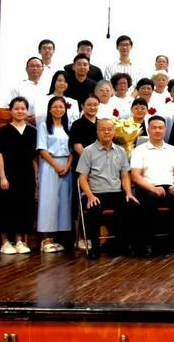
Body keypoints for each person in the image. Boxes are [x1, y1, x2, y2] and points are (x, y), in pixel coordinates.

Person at [129, 115, 174, 256]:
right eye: (154, 128)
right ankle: (148, 245)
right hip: (148, 188)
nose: (157, 131)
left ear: (165, 130)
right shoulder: (139, 150)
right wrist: (152, 188)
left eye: (160, 128)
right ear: (148, 129)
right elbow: (135, 176)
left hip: (170, 188)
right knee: (149, 201)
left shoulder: (173, 150)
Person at [77, 118, 136, 259]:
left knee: (132, 206)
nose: (106, 132)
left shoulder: (120, 151)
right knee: (94, 209)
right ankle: (95, 248)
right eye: (102, 129)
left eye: (109, 129)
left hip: (116, 193)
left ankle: (122, 245)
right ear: (97, 132)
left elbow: (125, 176)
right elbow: (82, 178)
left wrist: (128, 192)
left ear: (114, 132)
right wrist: (90, 196)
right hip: (96, 193)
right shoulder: (88, 151)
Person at [0, 97, 38, 255]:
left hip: (26, 174)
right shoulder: (3, 131)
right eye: (16, 108)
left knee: (24, 206)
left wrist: (36, 176)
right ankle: (5, 241)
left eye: (23, 108)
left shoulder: (33, 132)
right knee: (5, 206)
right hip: (8, 173)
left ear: (27, 111)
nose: (20, 111)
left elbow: (34, 157)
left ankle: (19, 240)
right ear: (10, 111)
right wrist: (2, 177)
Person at [36, 96, 74, 253]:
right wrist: (57, 165)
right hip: (50, 165)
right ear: (50, 109)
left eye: (61, 107)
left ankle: (59, 238)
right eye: (55, 106)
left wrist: (68, 165)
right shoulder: (44, 126)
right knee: (48, 200)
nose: (58, 109)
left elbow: (72, 149)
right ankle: (46, 239)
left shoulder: (68, 127)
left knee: (64, 201)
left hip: (67, 166)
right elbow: (42, 149)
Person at [68, 94, 100, 250]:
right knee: (80, 203)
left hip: (102, 170)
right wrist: (92, 162)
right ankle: (80, 237)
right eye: (89, 105)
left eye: (95, 105)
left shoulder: (102, 124)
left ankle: (96, 237)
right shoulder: (77, 124)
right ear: (82, 106)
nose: (92, 108)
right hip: (83, 168)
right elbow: (77, 147)